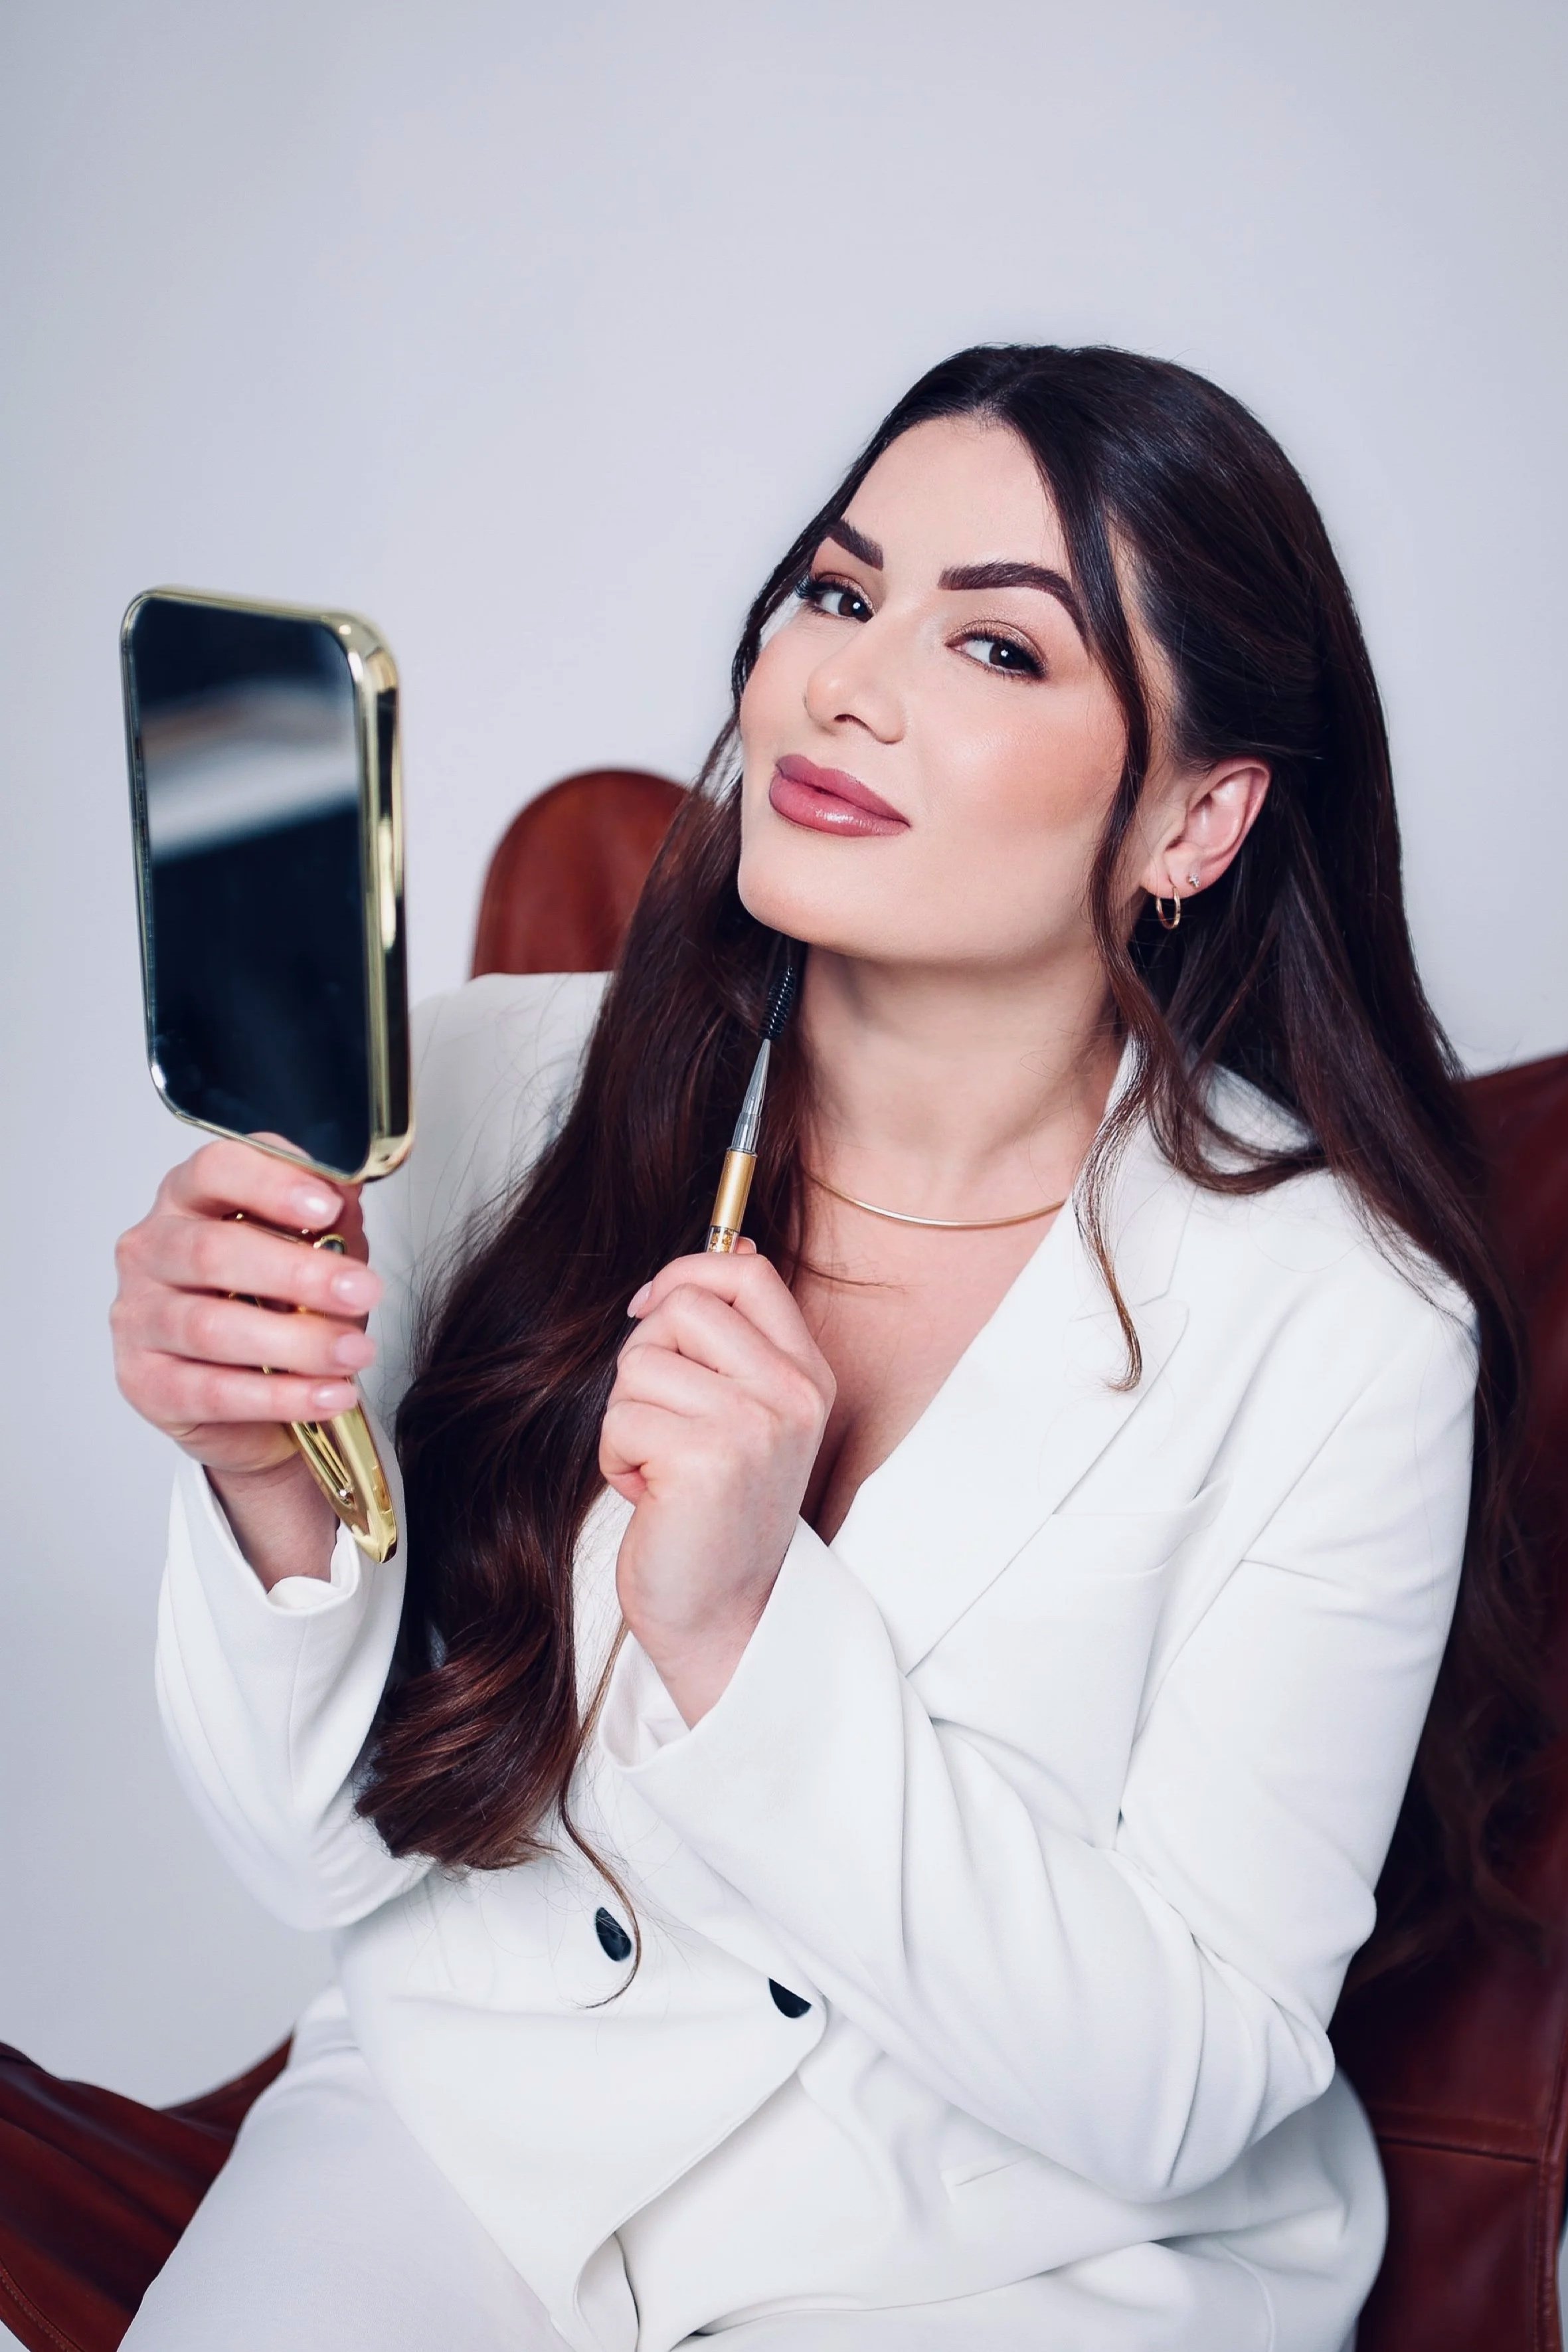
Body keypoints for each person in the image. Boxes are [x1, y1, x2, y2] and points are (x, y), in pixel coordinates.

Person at [109, 345, 1531, 2352]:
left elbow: (1186, 2083)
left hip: (1005, 2244)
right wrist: (269, 1474)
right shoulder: (486, 1086)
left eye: (1000, 651)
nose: (844, 685)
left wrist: (745, 1632)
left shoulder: (1344, 1322)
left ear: (1198, 817)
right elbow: (319, 1860)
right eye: (839, 594)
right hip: (467, 2133)